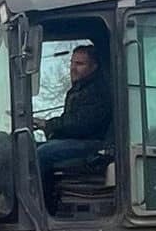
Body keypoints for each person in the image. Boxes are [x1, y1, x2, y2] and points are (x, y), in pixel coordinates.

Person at [35, 44, 112, 201]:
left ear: (94, 67)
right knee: (28, 148)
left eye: (80, 64)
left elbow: (81, 124)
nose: (72, 68)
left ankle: (43, 204)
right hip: (82, 139)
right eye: (72, 63)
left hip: (95, 143)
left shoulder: (97, 90)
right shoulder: (81, 88)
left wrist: (48, 125)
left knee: (41, 154)